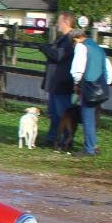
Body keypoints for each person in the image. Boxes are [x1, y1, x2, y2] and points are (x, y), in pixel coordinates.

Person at [69, 27, 112, 157]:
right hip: (101, 87)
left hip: (89, 87)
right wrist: (105, 83)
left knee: (87, 118)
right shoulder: (98, 47)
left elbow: (77, 69)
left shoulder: (81, 47)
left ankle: (89, 149)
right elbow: (110, 70)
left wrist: (77, 84)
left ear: (75, 39)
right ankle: (94, 145)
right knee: (93, 118)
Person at [38, 11, 78, 146]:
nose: (57, 24)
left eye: (59, 21)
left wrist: (44, 48)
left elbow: (59, 56)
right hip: (55, 81)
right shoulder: (62, 38)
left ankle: (65, 139)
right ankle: (52, 138)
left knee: (63, 113)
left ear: (66, 22)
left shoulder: (70, 39)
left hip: (62, 81)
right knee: (53, 112)